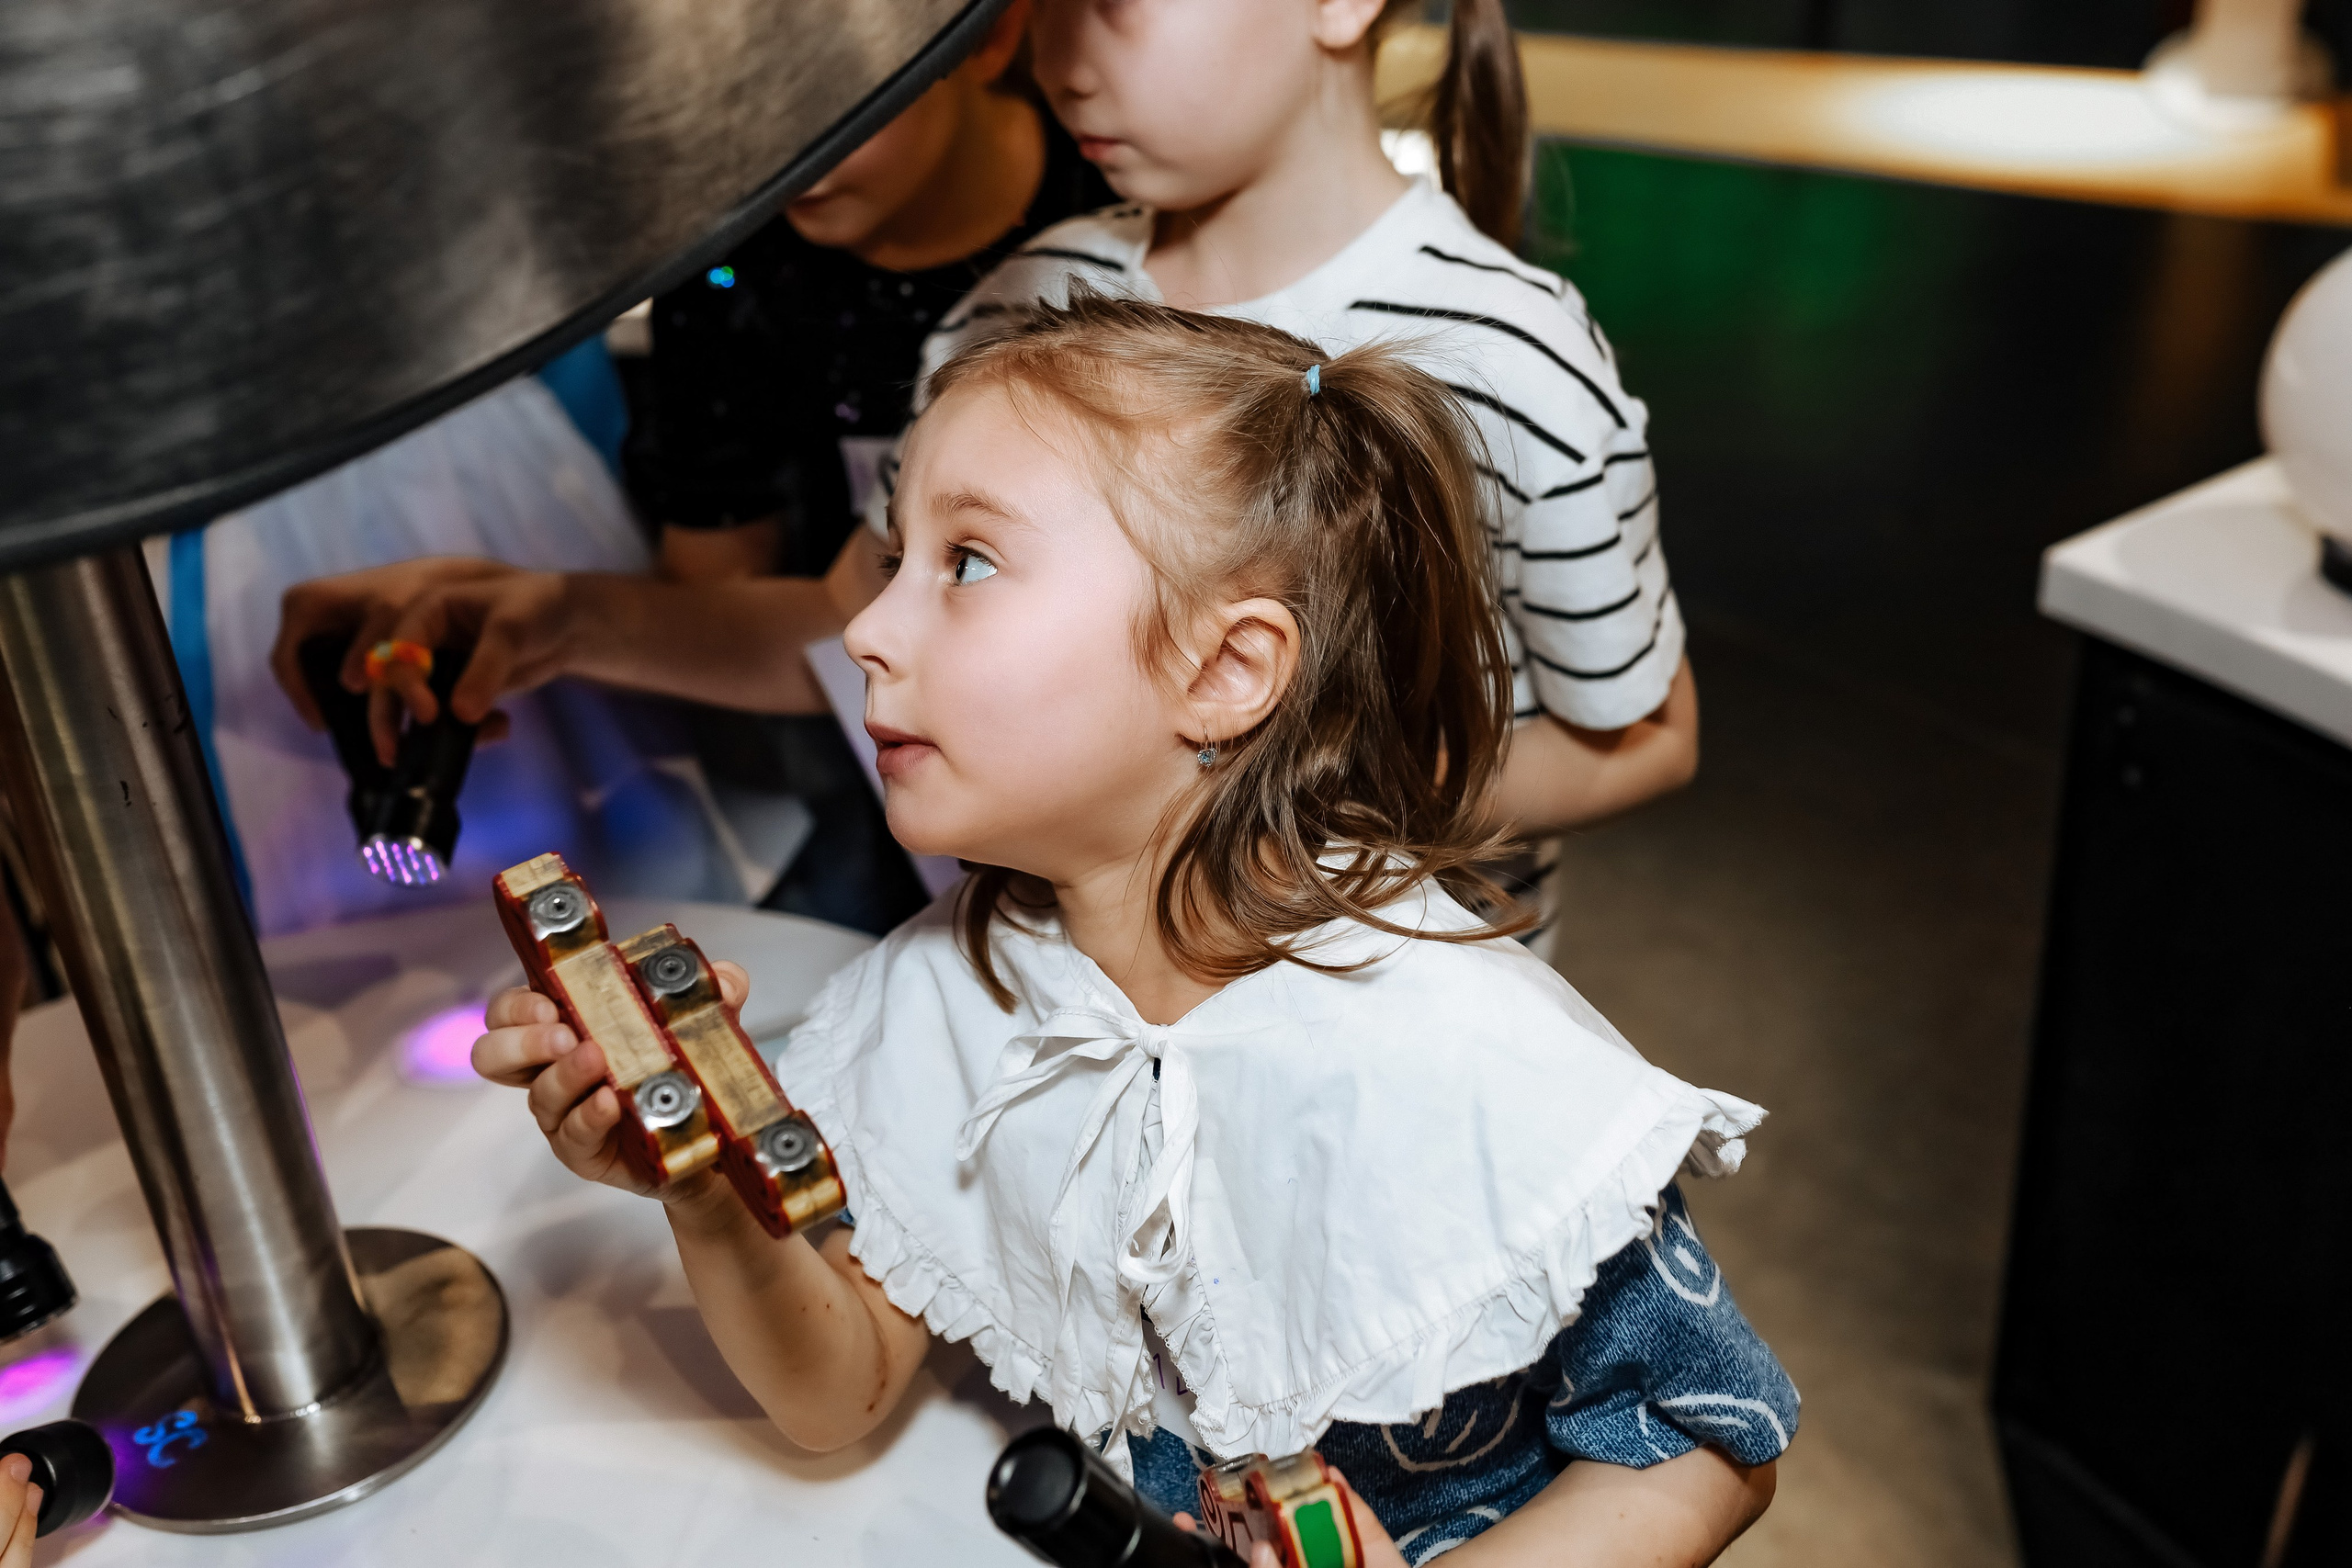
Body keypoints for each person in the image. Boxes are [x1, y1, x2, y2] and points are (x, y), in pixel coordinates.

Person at [472, 300, 1792, 1564]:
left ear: (1224, 672)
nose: (868, 629)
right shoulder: (945, 992)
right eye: (895, 556)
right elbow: (840, 1388)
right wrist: (707, 1186)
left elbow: (1703, 1438)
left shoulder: (1466, 1047)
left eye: (969, 561)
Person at [272, 0, 1690, 896]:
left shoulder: (1513, 353)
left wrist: (1231, 815)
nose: (1062, 56)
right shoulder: (1025, 296)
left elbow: (1640, 738)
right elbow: (854, 623)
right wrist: (566, 619)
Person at [276, 0, 1113, 935]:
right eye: (730, 96)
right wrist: (556, 614)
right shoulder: (728, 274)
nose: (774, 143)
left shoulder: (1113, 224)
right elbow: (812, 620)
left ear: (987, 34)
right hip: (894, 807)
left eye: (818, 86)